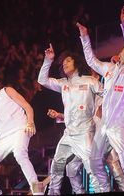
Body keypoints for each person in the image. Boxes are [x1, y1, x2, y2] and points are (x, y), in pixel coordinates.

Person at [77, 6, 124, 191]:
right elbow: (91, 61)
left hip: (120, 124)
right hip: (104, 124)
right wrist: (85, 37)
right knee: (95, 160)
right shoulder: (109, 68)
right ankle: (104, 189)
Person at [38, 44, 103, 194]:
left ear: (76, 62)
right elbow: (42, 80)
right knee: (58, 167)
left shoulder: (90, 81)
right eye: (62, 63)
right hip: (68, 135)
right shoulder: (63, 83)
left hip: (85, 132)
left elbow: (107, 96)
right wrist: (48, 60)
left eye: (68, 60)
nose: (64, 64)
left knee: (92, 169)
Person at [0, 68, 43, 195]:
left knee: (19, 153)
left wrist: (30, 122)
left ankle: (37, 190)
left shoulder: (7, 91)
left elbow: (27, 107)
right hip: (1, 139)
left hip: (19, 129)